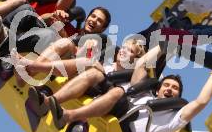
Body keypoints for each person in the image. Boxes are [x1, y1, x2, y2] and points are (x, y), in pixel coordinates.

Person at [30, 42, 212, 132]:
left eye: (175, 88)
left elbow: (201, 101)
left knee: (119, 91)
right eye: (167, 85)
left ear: (178, 95)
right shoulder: (144, 93)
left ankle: (68, 116)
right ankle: (49, 102)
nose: (169, 89)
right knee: (97, 75)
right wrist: (165, 43)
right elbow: (142, 64)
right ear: (159, 88)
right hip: (118, 111)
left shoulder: (175, 117)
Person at [11, 38, 146, 105]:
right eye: (123, 47)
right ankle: (26, 75)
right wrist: (89, 47)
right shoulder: (108, 64)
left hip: (100, 93)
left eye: (130, 50)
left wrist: (93, 63)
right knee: (64, 42)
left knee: (89, 62)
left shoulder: (131, 78)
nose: (123, 51)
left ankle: (32, 66)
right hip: (80, 80)